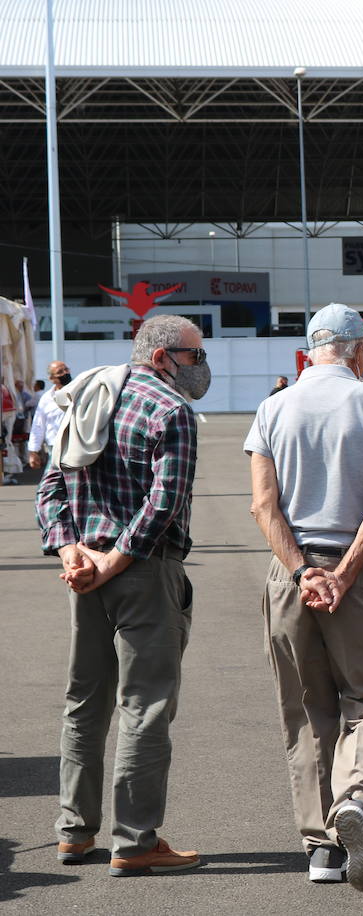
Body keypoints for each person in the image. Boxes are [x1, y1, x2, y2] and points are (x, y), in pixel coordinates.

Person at [34, 315, 211, 876]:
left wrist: (71, 552)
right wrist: (115, 559)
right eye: (193, 354)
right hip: (142, 571)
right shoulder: (172, 411)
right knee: (145, 704)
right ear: (162, 357)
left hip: (84, 572)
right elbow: (164, 502)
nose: (200, 366)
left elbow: (52, 486)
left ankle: (73, 833)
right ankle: (134, 841)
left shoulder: (90, 396)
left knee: (84, 703)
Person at [245, 303, 363, 893]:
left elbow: (264, 506)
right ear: (358, 350)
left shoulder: (272, 408)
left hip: (289, 577)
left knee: (308, 710)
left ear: (308, 351)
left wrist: (301, 571)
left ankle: (321, 850)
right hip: (359, 575)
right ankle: (358, 805)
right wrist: (342, 573)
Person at [28, 361, 72, 469]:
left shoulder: (80, 392)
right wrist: (33, 451)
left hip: (75, 446)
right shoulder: (47, 398)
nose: (65, 373)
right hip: (54, 449)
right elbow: (38, 425)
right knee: (51, 484)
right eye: (60, 372)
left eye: (66, 369)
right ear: (52, 378)